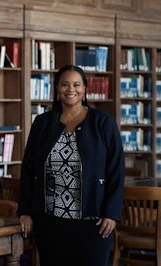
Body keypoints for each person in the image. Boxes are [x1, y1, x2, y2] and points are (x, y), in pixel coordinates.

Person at [18, 64, 125, 266]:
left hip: (93, 222)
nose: (70, 89)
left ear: (84, 89)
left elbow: (116, 170)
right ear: (57, 89)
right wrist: (25, 211)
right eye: (64, 84)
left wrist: (111, 213)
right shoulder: (42, 123)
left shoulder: (103, 122)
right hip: (49, 221)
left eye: (76, 84)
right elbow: (28, 168)